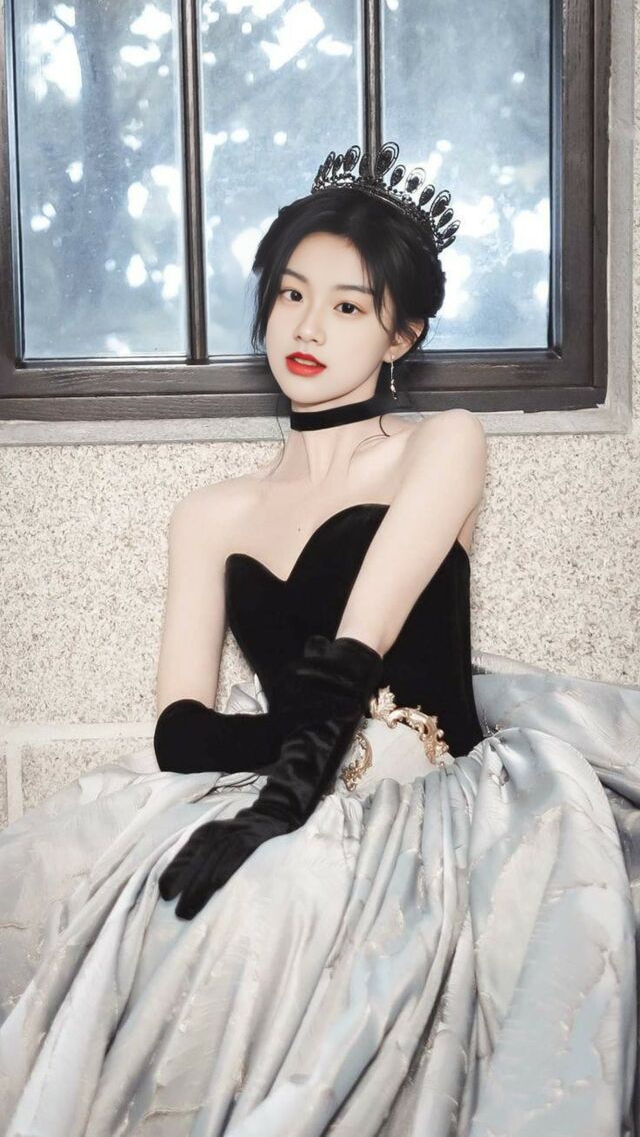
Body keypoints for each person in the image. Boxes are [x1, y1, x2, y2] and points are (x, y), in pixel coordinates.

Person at [0, 141, 638, 1137]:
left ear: (402, 333)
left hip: (427, 796)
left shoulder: (443, 443)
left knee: (273, 903)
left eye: (347, 306)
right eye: (291, 294)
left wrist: (282, 802)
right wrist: (272, 762)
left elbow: (359, 646)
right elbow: (178, 728)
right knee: (115, 901)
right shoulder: (211, 513)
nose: (305, 327)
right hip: (284, 769)